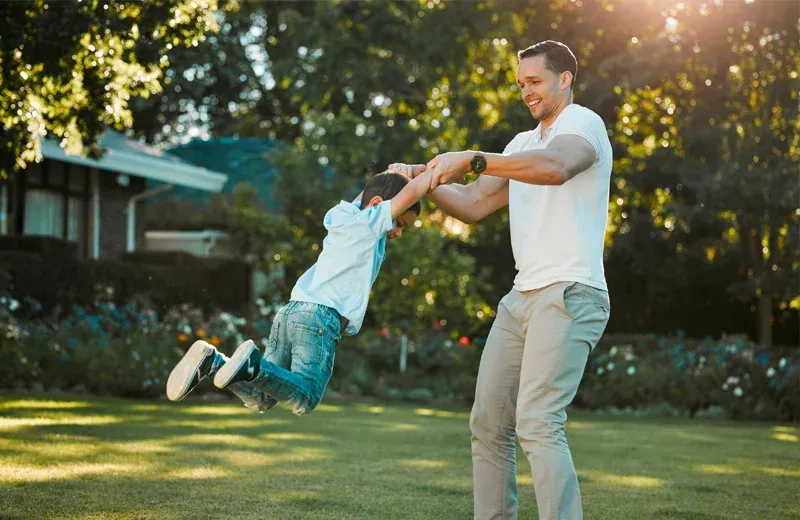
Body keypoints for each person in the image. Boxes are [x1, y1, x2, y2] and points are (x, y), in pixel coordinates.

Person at [388, 40, 612, 520]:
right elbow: (472, 205)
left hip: (570, 291)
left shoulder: (582, 124)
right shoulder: (519, 145)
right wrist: (419, 180)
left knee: (537, 420)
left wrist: (472, 158)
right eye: (520, 84)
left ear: (564, 79)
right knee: (488, 421)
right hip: (521, 298)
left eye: (534, 81)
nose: (526, 92)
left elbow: (557, 168)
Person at [166, 170, 432, 415]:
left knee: (262, 396)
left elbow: (371, 193)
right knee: (306, 397)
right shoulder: (368, 225)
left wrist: (400, 172)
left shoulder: (344, 217)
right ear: (377, 206)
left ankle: (215, 363)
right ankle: (252, 365)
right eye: (399, 223)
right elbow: (409, 193)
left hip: (291, 312)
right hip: (320, 318)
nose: (397, 232)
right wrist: (435, 172)